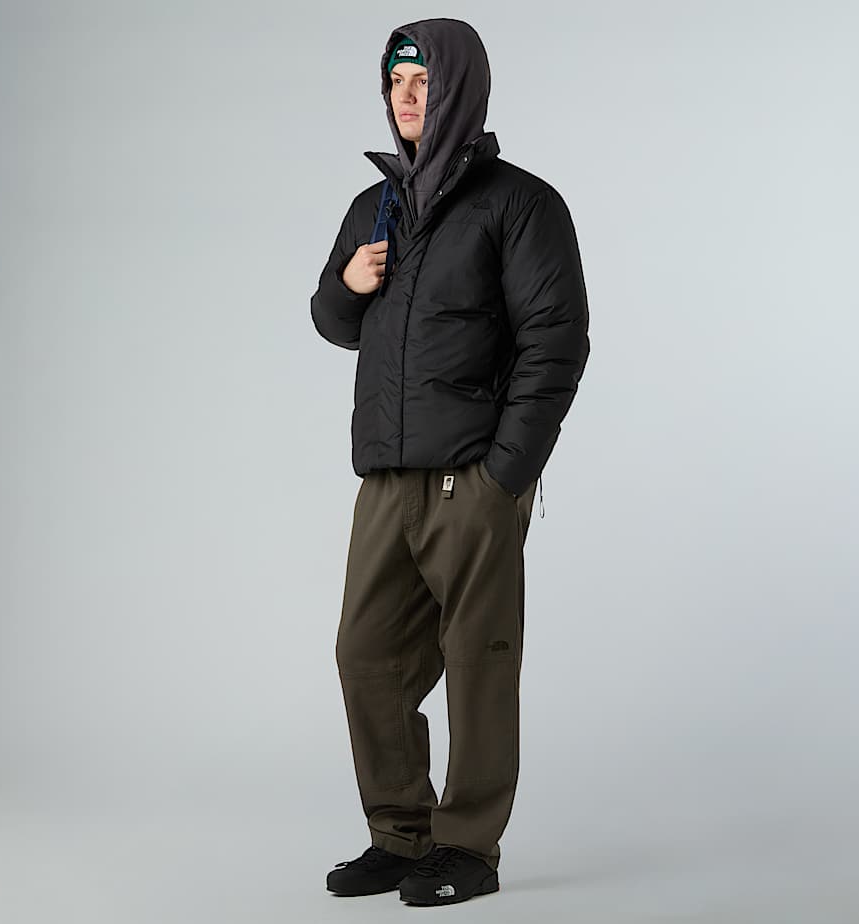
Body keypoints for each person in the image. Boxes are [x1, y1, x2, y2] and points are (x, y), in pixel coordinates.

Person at [311, 18, 590, 906]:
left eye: (423, 80)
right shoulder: (374, 207)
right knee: (367, 654)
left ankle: (468, 849)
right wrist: (345, 286)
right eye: (395, 80)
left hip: (471, 476)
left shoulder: (520, 204)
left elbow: (557, 342)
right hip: (387, 474)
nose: (405, 96)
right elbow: (334, 322)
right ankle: (401, 834)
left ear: (459, 88)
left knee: (477, 660)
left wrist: (504, 474)